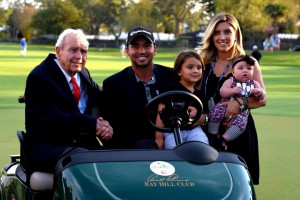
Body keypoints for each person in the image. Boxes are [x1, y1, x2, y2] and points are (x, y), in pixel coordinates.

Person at [24, 29, 113, 177]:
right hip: (49, 147)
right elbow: (54, 118)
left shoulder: (83, 73)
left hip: (82, 145)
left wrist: (105, 126)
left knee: (117, 158)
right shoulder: (39, 77)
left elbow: (102, 97)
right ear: (58, 51)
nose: (79, 56)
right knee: (82, 158)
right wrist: (93, 124)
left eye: (83, 51)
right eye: (73, 50)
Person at [199, 13, 267, 185]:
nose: (222, 37)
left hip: (239, 132)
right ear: (211, 36)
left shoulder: (248, 63)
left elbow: (261, 99)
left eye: (227, 32)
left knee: (238, 186)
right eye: (217, 32)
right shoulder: (203, 62)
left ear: (236, 34)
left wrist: (239, 103)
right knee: (208, 184)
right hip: (210, 131)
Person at [102, 26, 174, 149]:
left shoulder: (172, 76)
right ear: (127, 51)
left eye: (147, 45)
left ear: (155, 50)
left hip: (173, 140)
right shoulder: (113, 84)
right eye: (135, 46)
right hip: (135, 151)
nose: (141, 51)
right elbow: (115, 132)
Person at [208, 55, 265, 148]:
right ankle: (213, 134)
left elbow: (262, 98)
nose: (245, 70)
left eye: (249, 68)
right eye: (241, 68)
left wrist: (258, 92)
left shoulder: (254, 83)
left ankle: (223, 140)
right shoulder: (230, 81)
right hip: (224, 106)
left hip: (242, 112)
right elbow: (222, 92)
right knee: (215, 113)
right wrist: (232, 91)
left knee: (240, 126)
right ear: (233, 72)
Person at [155, 50, 209, 149]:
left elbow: (205, 114)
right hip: (172, 130)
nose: (196, 71)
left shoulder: (199, 94)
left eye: (199, 68)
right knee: (174, 151)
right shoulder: (171, 89)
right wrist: (159, 138)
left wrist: (198, 116)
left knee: (202, 147)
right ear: (179, 71)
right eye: (190, 67)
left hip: (194, 129)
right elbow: (160, 113)